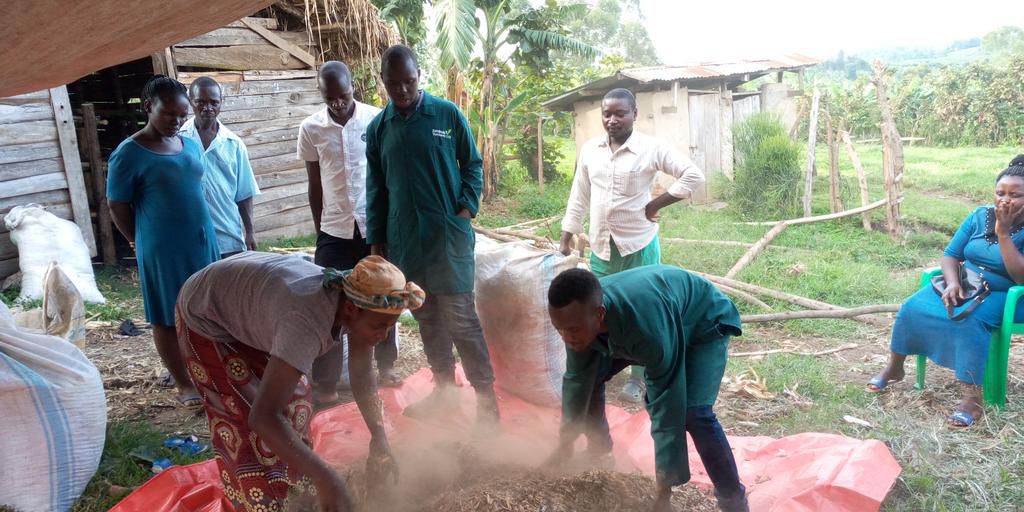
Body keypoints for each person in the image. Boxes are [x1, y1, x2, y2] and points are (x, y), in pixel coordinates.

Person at [176, 252, 424, 512]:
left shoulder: (357, 305)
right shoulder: (305, 322)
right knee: (243, 423)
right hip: (206, 315)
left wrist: (379, 436)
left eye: (390, 326)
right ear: (352, 309)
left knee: (297, 404)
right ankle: (259, 500)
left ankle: (298, 484)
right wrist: (327, 478)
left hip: (252, 303)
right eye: (379, 326)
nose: (382, 335)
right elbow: (263, 417)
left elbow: (361, 373)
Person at [365, 45, 499, 427]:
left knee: (461, 319)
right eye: (394, 84)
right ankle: (444, 392)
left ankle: (487, 404)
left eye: (409, 81)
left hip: (448, 237)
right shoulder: (379, 128)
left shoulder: (446, 114)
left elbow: (472, 165)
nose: (403, 90)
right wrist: (377, 242)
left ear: (419, 75)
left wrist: (465, 211)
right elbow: (376, 187)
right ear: (384, 83)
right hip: (406, 242)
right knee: (426, 317)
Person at [545, 266, 748, 512]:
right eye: (559, 329)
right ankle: (600, 454)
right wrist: (565, 442)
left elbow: (667, 404)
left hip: (701, 324)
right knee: (589, 377)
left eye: (573, 330)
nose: (566, 337)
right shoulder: (578, 317)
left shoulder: (646, 331)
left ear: (599, 315)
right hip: (656, 319)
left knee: (694, 414)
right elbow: (578, 380)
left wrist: (663, 491)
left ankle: (733, 500)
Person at [559, 87, 705, 404]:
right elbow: (579, 193)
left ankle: (639, 379)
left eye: (620, 113)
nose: (612, 120)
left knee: (641, 312)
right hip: (601, 246)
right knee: (599, 310)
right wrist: (568, 233)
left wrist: (656, 205)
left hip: (638, 245)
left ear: (634, 114)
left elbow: (693, 176)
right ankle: (602, 365)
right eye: (606, 113)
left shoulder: (650, 149)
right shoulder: (590, 150)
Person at [867, 155, 1024, 428]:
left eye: (1015, 194)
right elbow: (951, 255)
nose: (1005, 200)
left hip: (1008, 294)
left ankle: (972, 398)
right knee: (913, 307)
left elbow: (1019, 276)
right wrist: (952, 282)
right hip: (965, 283)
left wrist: (1004, 233)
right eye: (1000, 193)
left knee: (969, 320)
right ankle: (895, 367)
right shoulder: (978, 216)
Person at [106, 75, 219, 409]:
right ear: (147, 108)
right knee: (167, 316)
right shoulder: (129, 154)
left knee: (207, 310)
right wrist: (136, 240)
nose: (177, 120)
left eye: (182, 114)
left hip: (201, 241)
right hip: (161, 247)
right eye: (169, 114)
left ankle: (210, 374)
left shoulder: (190, 144)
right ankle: (184, 383)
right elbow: (117, 204)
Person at [299, 61, 401, 406]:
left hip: (372, 225)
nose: (337, 103)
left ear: (352, 87)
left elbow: (388, 175)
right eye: (330, 98)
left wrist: (385, 227)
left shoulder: (376, 119)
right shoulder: (311, 128)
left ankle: (385, 367)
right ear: (322, 95)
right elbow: (315, 184)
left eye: (342, 96)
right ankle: (326, 384)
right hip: (334, 228)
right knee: (328, 302)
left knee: (383, 295)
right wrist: (319, 228)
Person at [180, 76, 260, 259]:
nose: (208, 108)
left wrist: (250, 232)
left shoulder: (234, 144)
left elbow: (244, 193)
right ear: (191, 101)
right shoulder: (178, 140)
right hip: (190, 239)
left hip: (228, 238)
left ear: (221, 103)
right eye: (201, 102)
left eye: (214, 102)